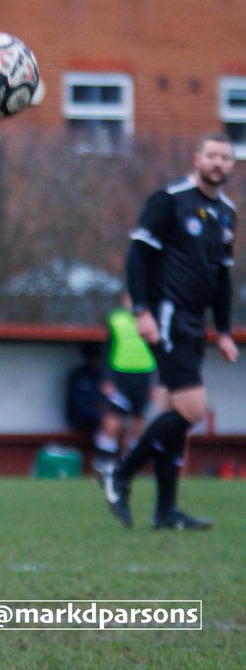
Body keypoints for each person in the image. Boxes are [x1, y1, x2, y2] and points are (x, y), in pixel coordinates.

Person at [101, 132, 238, 530]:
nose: (218, 163)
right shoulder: (170, 200)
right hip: (167, 316)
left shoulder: (226, 213)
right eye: (211, 155)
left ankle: (165, 512)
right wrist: (141, 309)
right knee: (192, 410)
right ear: (197, 159)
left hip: (195, 324)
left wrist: (225, 330)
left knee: (173, 413)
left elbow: (222, 279)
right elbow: (137, 256)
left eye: (225, 158)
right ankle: (120, 473)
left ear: (231, 166)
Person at [93, 293, 159, 471]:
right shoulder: (116, 319)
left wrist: (156, 381)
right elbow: (107, 348)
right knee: (114, 418)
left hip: (144, 374)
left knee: (139, 419)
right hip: (120, 375)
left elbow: (158, 350)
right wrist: (107, 378)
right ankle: (104, 459)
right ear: (124, 300)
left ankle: (130, 461)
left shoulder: (152, 319)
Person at [65, 341, 112, 441]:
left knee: (115, 422)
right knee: (107, 422)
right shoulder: (79, 376)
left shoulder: (104, 376)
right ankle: (105, 454)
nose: (95, 361)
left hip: (103, 418)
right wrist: (98, 417)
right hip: (83, 420)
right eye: (92, 357)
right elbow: (77, 403)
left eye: (97, 357)